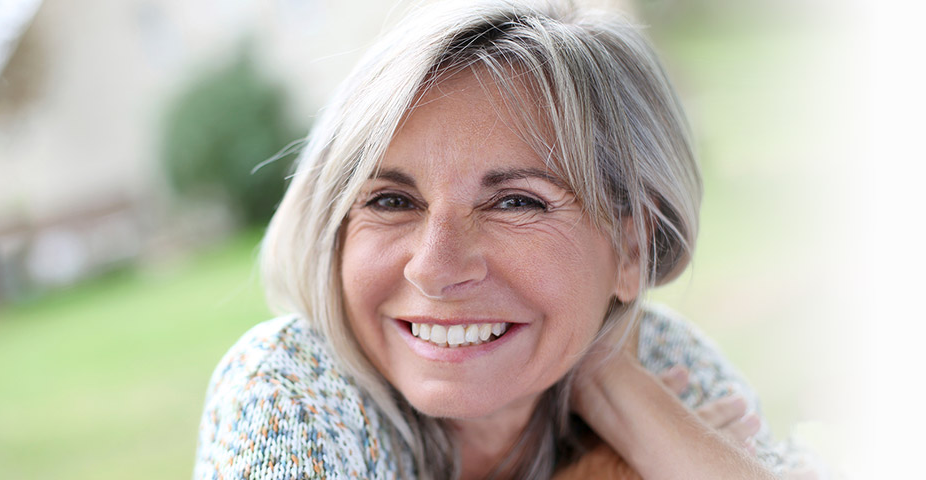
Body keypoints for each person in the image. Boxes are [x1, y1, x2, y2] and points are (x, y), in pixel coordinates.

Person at [192, 1, 816, 478]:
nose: (434, 269)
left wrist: (610, 388)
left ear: (630, 249)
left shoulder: (657, 357)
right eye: (392, 200)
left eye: (515, 202)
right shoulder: (291, 385)